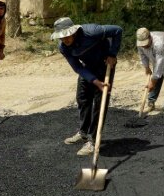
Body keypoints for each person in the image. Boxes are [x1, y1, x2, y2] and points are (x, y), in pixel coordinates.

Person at [51, 17, 122, 156]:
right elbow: (77, 67)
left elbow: (117, 30)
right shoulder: (63, 47)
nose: (65, 39)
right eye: (61, 37)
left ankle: (92, 140)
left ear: (73, 31)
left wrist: (112, 54)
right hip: (87, 68)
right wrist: (94, 81)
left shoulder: (92, 31)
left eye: (67, 35)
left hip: (105, 65)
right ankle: (83, 132)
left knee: (100, 103)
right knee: (82, 98)